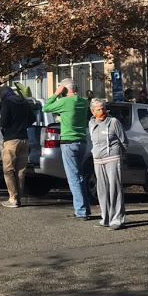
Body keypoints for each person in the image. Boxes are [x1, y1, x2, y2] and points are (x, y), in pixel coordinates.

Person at [42, 78, 91, 219]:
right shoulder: (83, 101)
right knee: (80, 176)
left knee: (73, 177)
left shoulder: (64, 102)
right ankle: (85, 207)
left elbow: (45, 108)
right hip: (81, 141)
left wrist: (56, 93)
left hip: (68, 142)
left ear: (64, 89)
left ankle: (80, 210)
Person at [89, 98, 128, 229]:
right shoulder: (91, 123)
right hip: (98, 160)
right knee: (102, 189)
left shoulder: (113, 122)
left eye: (103, 108)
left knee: (115, 188)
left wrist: (119, 155)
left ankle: (117, 219)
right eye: (98, 109)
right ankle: (105, 218)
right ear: (92, 111)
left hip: (113, 158)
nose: (101, 111)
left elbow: (124, 141)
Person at [0, 86, 35, 207]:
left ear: (2, 95)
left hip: (11, 139)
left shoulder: (7, 103)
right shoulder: (23, 101)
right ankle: (19, 197)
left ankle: (12, 198)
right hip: (24, 138)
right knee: (20, 171)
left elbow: (4, 122)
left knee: (8, 170)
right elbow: (32, 118)